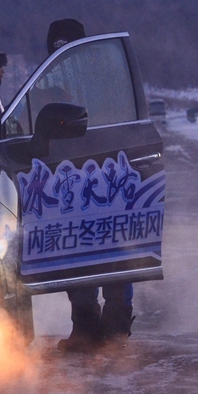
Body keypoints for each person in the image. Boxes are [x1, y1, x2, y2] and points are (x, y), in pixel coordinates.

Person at [45, 19, 135, 352]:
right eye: (58, 49)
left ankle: (113, 327)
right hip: (71, 176)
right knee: (78, 250)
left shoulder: (105, 79)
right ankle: (88, 327)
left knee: (115, 247)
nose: (63, 55)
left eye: (66, 46)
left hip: (108, 171)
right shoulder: (48, 80)